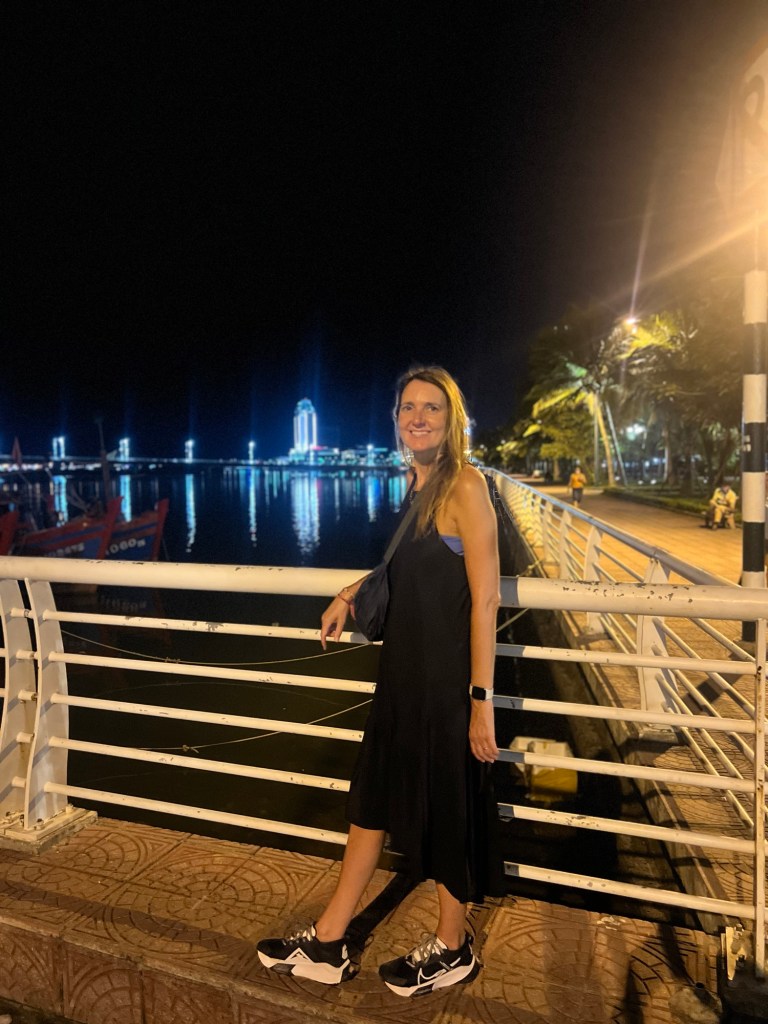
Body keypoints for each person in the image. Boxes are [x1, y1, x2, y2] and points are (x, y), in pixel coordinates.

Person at [257, 366, 504, 997]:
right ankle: (330, 938)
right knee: (370, 802)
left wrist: (480, 700)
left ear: (452, 421)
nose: (418, 418)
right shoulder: (415, 484)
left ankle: (454, 947)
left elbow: (485, 599)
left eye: (432, 408)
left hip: (446, 682)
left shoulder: (466, 484)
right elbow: (409, 569)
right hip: (401, 677)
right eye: (408, 408)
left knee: (447, 807)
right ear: (396, 420)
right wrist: (351, 591)